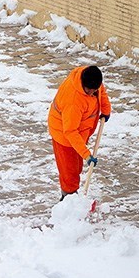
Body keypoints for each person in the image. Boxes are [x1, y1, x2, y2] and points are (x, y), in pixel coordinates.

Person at [47, 65, 112, 200]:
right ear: (82, 83)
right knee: (69, 171)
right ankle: (67, 199)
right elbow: (70, 131)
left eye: (94, 90)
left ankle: (72, 195)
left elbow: (101, 92)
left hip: (80, 128)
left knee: (76, 167)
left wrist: (106, 110)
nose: (91, 93)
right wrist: (87, 155)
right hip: (64, 134)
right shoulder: (73, 101)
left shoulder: (91, 77)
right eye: (89, 90)